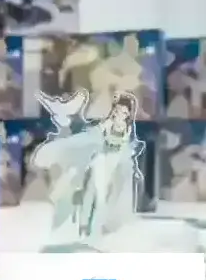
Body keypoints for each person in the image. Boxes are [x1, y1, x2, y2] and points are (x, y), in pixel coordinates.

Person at [32, 90, 143, 246]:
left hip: (114, 165)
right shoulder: (107, 123)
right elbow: (93, 136)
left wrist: (132, 159)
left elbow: (128, 148)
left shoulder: (129, 128)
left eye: (124, 112)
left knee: (105, 195)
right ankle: (86, 228)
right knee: (93, 192)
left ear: (128, 114)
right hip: (101, 161)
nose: (119, 114)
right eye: (117, 110)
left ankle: (98, 229)